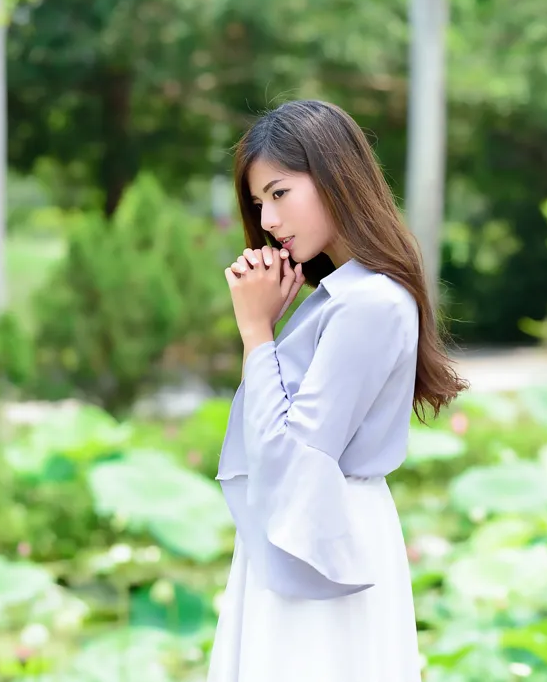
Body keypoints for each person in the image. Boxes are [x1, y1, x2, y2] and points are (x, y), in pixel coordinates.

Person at [207, 99, 467, 681]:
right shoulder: (338, 297)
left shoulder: (369, 303)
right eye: (258, 203)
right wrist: (266, 331)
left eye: (279, 193)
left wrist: (255, 332)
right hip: (301, 528)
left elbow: (292, 455)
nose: (268, 219)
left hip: (322, 538)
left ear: (333, 176)